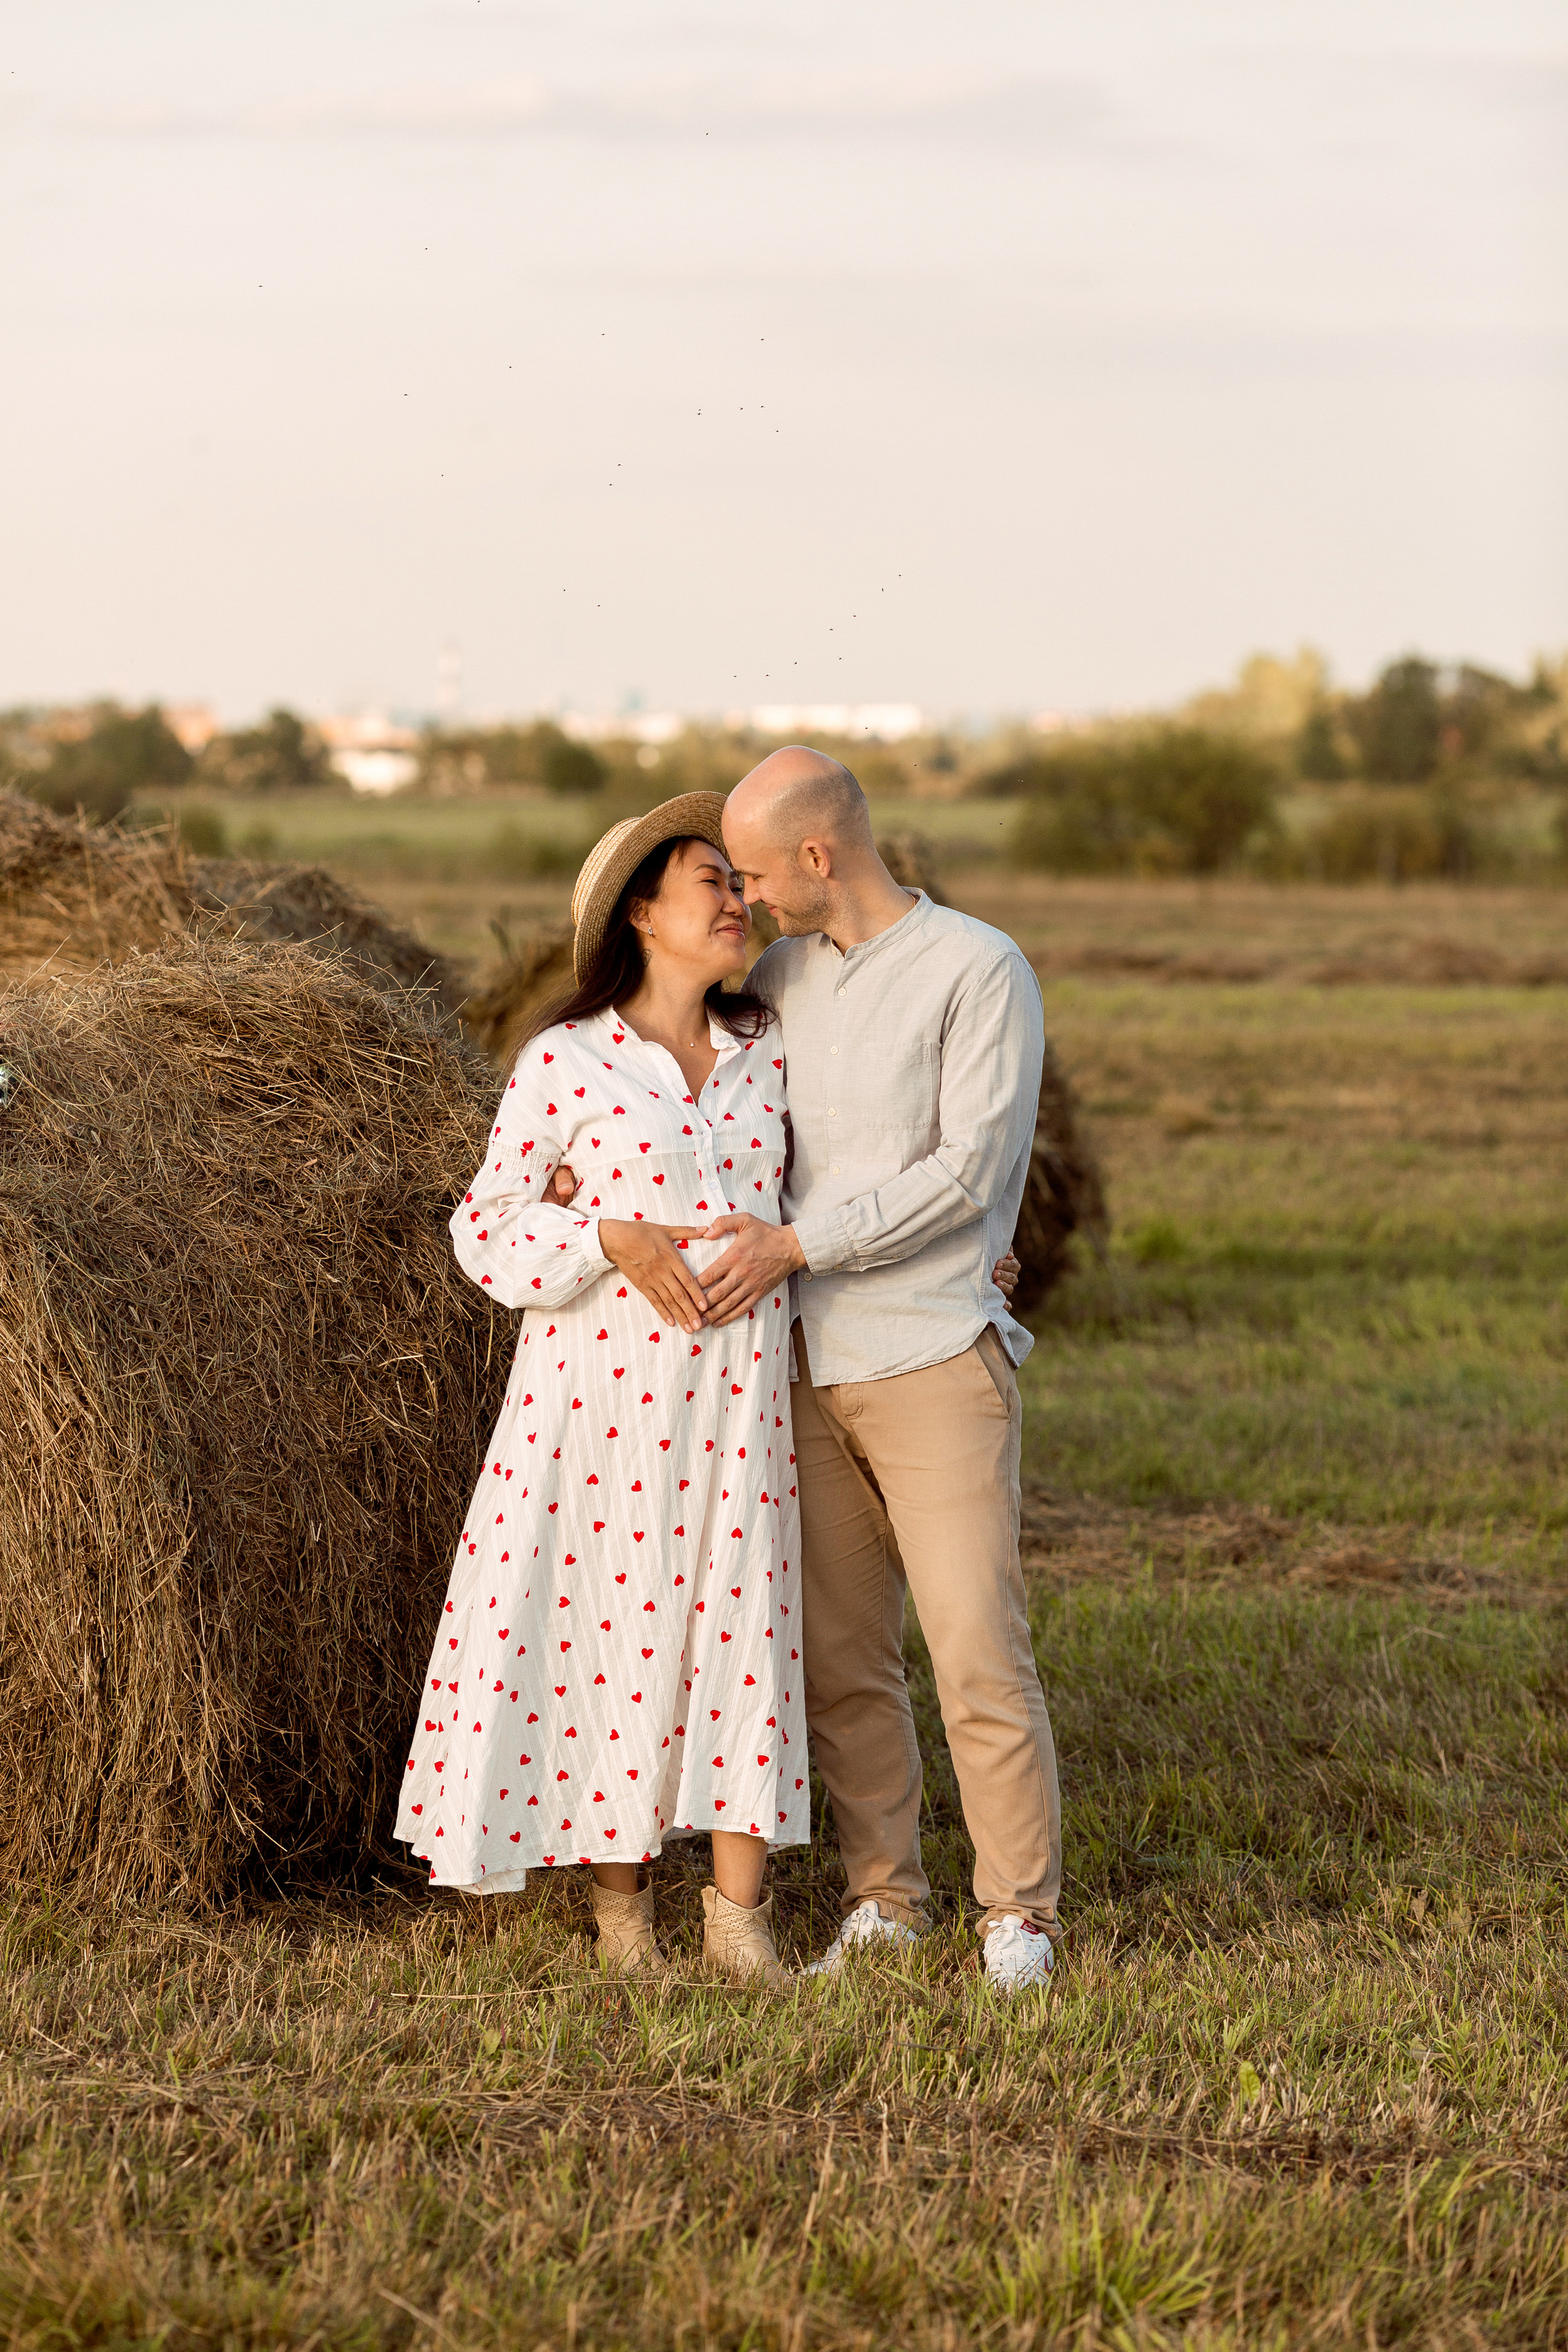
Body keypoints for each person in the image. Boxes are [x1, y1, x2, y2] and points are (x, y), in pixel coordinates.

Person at [396, 794, 805, 1987]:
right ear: (641, 910)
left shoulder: (769, 1048)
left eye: (740, 884)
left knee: (741, 1637)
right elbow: (484, 1229)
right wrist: (604, 1236)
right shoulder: (565, 1062)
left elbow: (833, 1187)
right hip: (598, 1406)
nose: (738, 903)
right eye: (710, 885)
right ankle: (623, 1919)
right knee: (611, 1644)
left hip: (737, 1399)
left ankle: (740, 1923)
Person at [693, 745, 1063, 1993]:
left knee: (973, 1647)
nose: (738, 900)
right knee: (844, 1658)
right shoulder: (782, 977)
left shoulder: (978, 969)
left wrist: (802, 1243)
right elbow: (726, 1132)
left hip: (930, 1357)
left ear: (816, 855)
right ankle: (883, 1901)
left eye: (750, 872)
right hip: (798, 1363)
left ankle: (1018, 1918)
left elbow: (966, 1172)